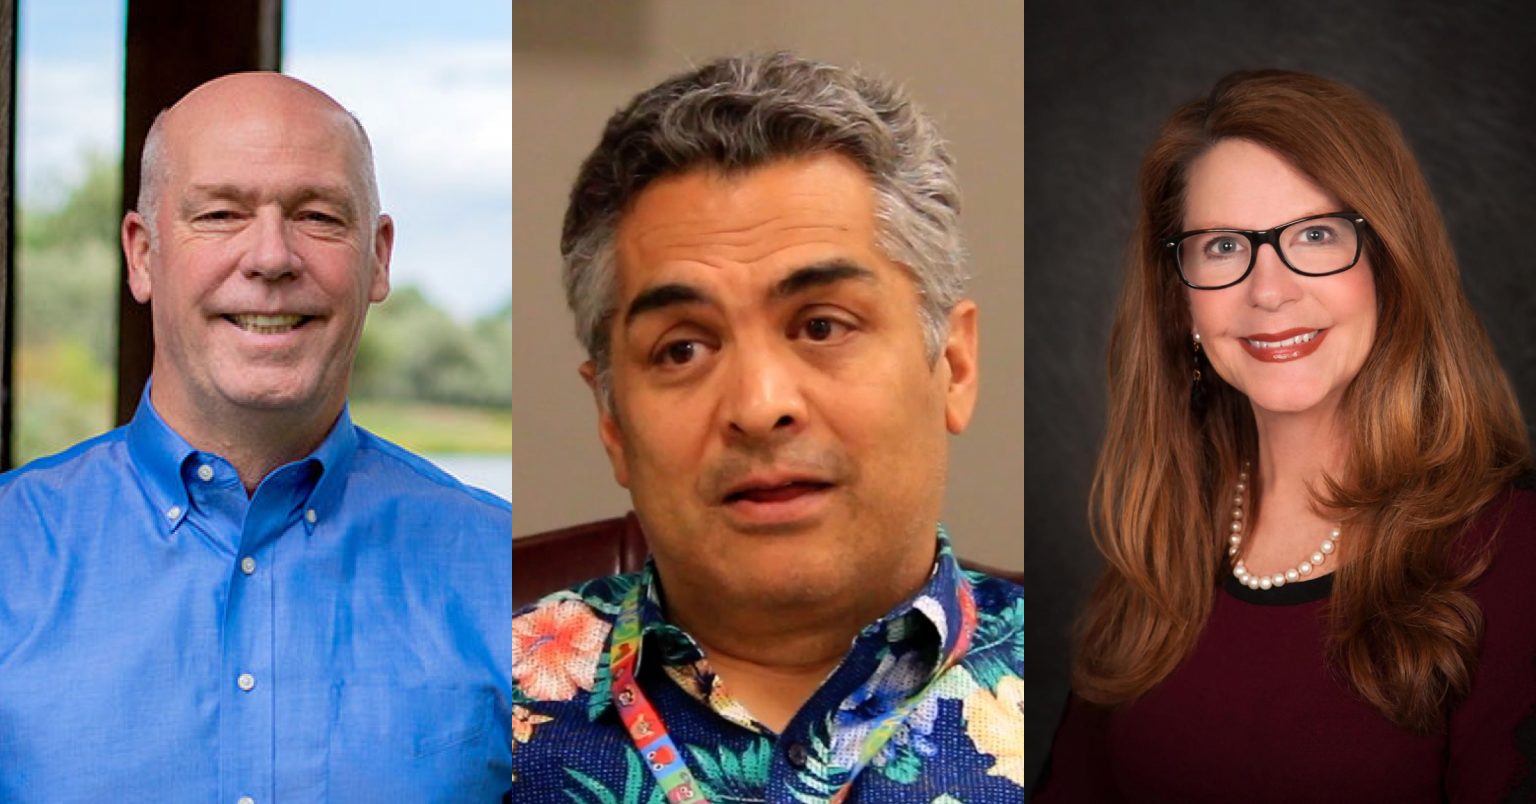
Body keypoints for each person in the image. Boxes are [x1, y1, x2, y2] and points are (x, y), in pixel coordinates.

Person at [510, 52, 1024, 802]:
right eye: (682, 348)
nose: (758, 404)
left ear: (954, 365)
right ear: (611, 418)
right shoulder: (472, 708)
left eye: (822, 325)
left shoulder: (1094, 698)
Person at [0, 73, 511, 801]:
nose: (271, 257)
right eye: (220, 214)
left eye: (318, 216)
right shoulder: (10, 555)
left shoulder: (506, 580)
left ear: (378, 257)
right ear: (143, 255)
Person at [1034, 70, 1536, 801]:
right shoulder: (1160, 552)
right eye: (1222, 247)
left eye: (1316, 234)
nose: (1268, 290)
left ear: (1391, 267)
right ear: (1180, 303)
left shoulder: (1513, 550)